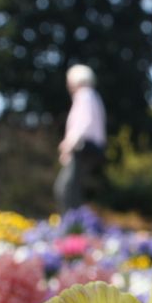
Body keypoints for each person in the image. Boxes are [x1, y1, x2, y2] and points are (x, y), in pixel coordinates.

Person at [54, 64, 107, 215]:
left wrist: (68, 144)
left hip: (83, 148)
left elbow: (84, 122)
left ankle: (72, 226)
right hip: (87, 148)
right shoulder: (92, 96)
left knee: (65, 188)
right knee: (73, 187)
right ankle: (75, 225)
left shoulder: (85, 95)